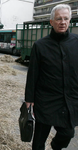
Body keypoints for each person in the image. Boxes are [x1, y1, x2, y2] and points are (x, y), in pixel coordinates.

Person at [25, 4, 78, 150]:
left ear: (69, 20)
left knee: (68, 133)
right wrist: (29, 99)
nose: (62, 22)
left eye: (66, 18)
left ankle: (55, 146)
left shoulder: (76, 42)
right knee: (39, 141)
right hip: (45, 100)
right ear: (51, 22)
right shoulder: (40, 45)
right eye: (59, 19)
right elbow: (33, 74)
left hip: (69, 100)